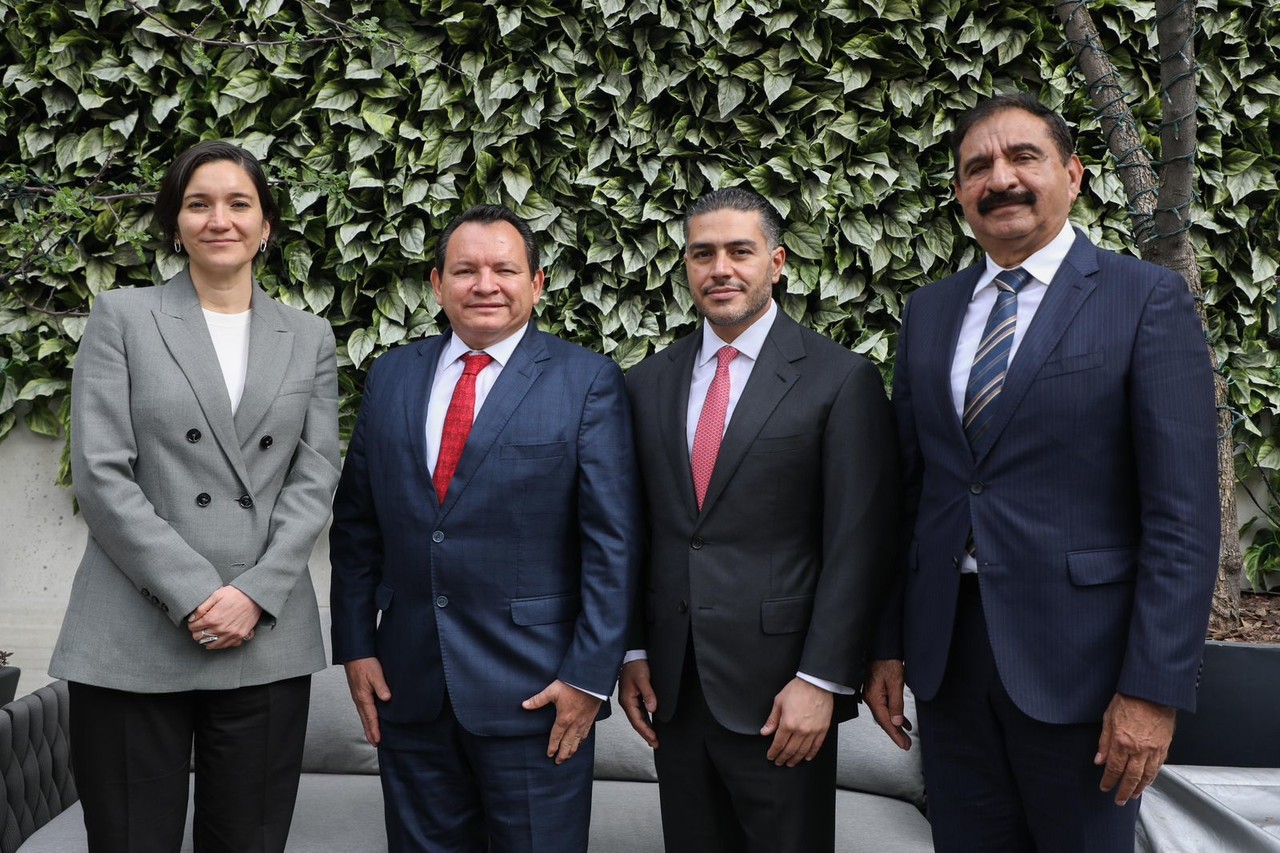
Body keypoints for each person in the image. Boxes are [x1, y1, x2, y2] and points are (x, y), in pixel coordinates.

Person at [865, 93, 1219, 852]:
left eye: (1023, 157)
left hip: (1086, 673)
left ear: (1073, 173)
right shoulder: (930, 311)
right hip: (951, 661)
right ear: (960, 193)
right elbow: (912, 490)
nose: (1001, 179)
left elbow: (1182, 517)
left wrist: (1152, 691)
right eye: (977, 167)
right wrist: (888, 641)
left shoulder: (1144, 299)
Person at [50, 140, 341, 852]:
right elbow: (101, 472)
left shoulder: (308, 335)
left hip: (264, 633)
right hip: (130, 630)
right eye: (198, 203)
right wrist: (194, 592)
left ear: (266, 223)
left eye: (239, 203)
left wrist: (254, 594)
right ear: (175, 222)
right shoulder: (123, 316)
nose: (220, 219)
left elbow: (314, 477)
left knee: (248, 840)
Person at [328, 204, 642, 853]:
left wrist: (588, 678)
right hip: (409, 690)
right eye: (466, 269)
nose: (485, 284)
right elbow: (357, 524)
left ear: (538, 282)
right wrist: (357, 644)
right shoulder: (390, 376)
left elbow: (614, 544)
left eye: (504, 268)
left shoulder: (587, 383)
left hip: (537, 695)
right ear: (438, 283)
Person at [618, 187, 899, 852]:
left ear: (776, 262)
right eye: (702, 253)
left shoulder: (840, 379)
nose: (721, 268)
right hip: (674, 693)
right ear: (686, 266)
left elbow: (858, 542)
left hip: (784, 692)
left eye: (740, 251)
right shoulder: (644, 384)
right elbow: (632, 531)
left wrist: (822, 679)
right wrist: (631, 651)